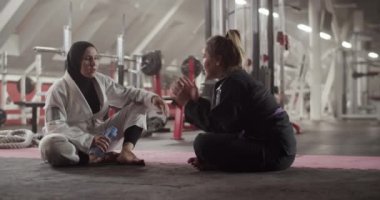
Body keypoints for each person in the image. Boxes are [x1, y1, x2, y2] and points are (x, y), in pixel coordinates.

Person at [170, 35, 296, 172]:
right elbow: (225, 119)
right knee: (209, 142)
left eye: (205, 56)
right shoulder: (233, 80)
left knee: (202, 143)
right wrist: (196, 101)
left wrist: (187, 103)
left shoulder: (234, 83)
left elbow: (218, 126)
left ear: (218, 60)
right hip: (279, 150)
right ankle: (217, 162)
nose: (203, 62)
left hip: (275, 152)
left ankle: (217, 162)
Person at [39, 41, 168, 167]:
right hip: (73, 142)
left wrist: (152, 98)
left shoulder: (101, 80)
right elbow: (54, 127)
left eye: (96, 58)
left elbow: (127, 93)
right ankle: (87, 158)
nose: (93, 63)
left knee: (140, 102)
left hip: (102, 140)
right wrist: (89, 140)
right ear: (76, 61)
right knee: (49, 144)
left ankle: (126, 152)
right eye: (88, 59)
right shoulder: (58, 89)